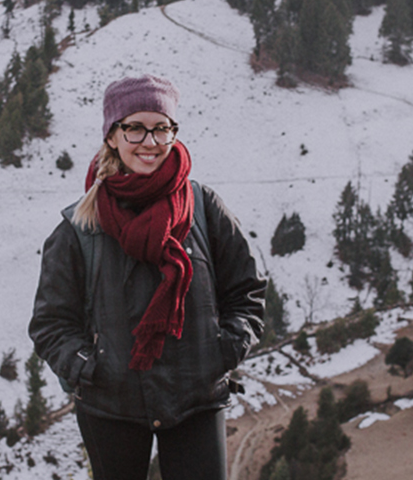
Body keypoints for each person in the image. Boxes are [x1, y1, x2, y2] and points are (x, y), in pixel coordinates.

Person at [30, 74, 266, 480]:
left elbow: (247, 292)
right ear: (112, 135)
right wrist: (92, 369)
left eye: (161, 128)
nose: (150, 142)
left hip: (196, 399)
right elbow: (51, 324)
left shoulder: (203, 208)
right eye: (135, 127)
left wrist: (221, 351)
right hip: (111, 408)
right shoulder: (79, 228)